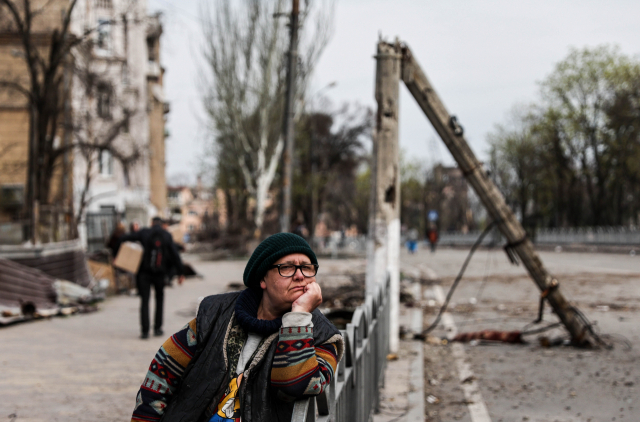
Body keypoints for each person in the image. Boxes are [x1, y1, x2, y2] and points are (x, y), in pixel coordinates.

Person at [130, 233, 344, 422]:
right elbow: (161, 375)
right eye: (286, 267)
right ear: (262, 279)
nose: (299, 275)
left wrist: (299, 317)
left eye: (307, 268)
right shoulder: (213, 314)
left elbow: (293, 387)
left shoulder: (325, 338)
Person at [120, 217, 185, 339]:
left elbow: (124, 238)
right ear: (161, 224)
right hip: (160, 274)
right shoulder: (167, 235)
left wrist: (119, 253)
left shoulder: (144, 232)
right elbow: (174, 254)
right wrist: (181, 273)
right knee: (159, 299)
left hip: (144, 273)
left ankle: (145, 331)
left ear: (151, 223)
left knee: (145, 301)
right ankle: (157, 328)